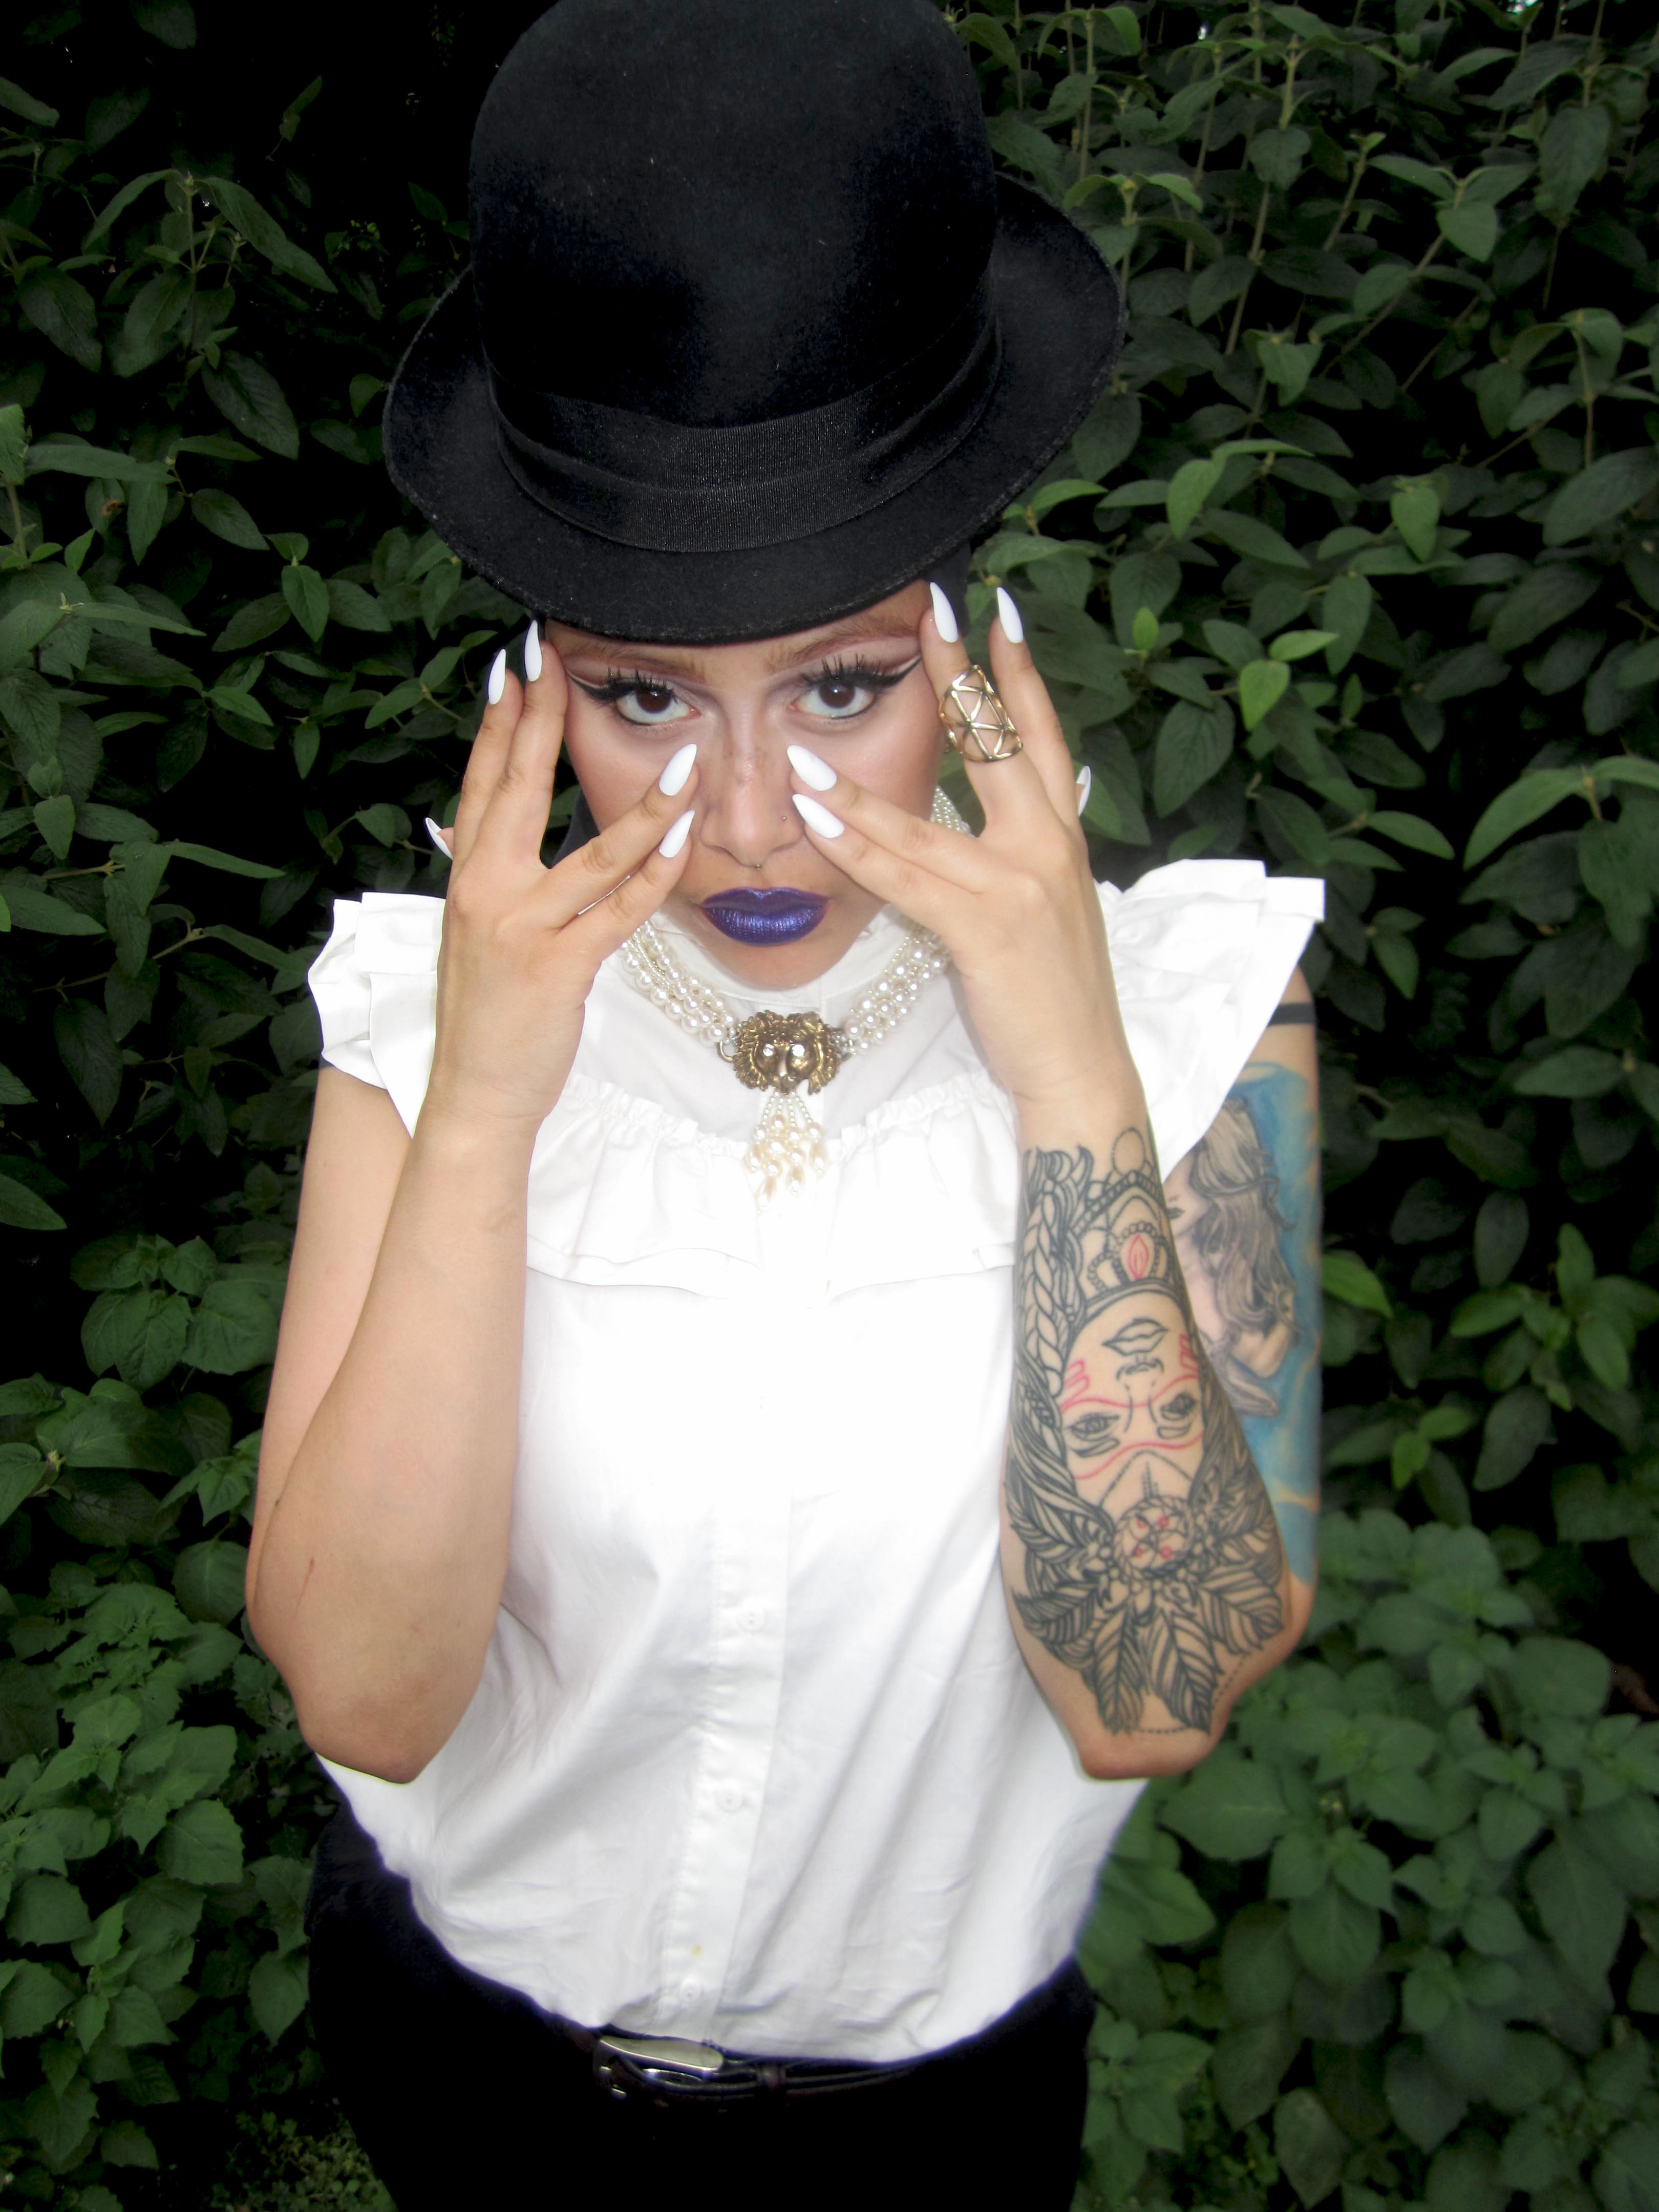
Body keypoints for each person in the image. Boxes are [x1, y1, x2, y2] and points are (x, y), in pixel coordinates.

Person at [246, 3, 1324, 2204]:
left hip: (920, 2135)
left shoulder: (1200, 1016)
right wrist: (485, 1115)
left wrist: (1069, 1077)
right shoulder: (427, 1023)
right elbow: (365, 1692)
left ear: (972, 644)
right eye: (645, 696)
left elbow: (1152, 1694)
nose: (750, 821)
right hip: (472, 2059)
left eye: (842, 683)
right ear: (538, 687)